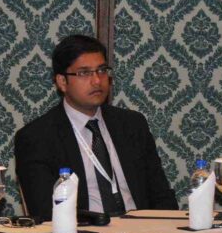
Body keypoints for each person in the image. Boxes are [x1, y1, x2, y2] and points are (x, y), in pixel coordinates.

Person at [14, 34, 177, 220]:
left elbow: (161, 195)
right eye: (84, 73)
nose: (97, 81)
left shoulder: (132, 125)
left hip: (141, 231)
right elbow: (45, 211)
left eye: (101, 70)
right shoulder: (37, 137)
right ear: (62, 82)